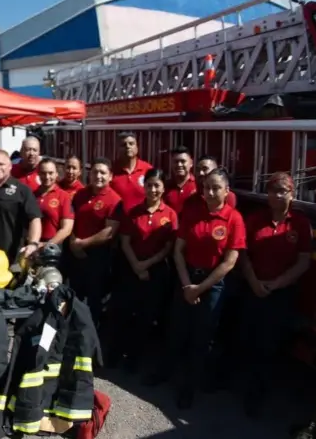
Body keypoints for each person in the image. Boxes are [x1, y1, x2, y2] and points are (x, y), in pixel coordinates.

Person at [147, 168, 245, 410]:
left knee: (200, 339)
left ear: (226, 191)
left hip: (212, 286)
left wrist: (200, 288)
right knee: (175, 330)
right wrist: (185, 285)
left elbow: (230, 262)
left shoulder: (234, 219)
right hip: (186, 277)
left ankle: (189, 387)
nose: (210, 192)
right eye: (206, 187)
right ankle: (164, 373)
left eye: (216, 188)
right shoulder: (192, 212)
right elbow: (178, 250)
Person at [240, 172, 311, 416]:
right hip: (253, 288)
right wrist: (254, 282)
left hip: (281, 294)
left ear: (292, 194)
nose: (277, 195)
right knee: (248, 338)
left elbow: (303, 262)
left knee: (270, 345)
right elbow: (243, 254)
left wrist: (276, 284)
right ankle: (243, 384)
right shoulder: (255, 219)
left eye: (283, 190)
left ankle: (259, 393)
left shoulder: (299, 223)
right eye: (273, 190)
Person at [108, 168, 178, 371]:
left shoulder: (170, 214)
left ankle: (134, 358)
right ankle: (114, 353)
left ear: (164, 188)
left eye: (157, 185)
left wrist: (146, 265)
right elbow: (125, 242)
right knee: (123, 313)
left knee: (146, 318)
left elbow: (168, 248)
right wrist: (136, 265)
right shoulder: (134, 212)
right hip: (130, 268)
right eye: (149, 185)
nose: (153, 189)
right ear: (144, 186)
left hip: (155, 272)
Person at [68, 157, 122, 328]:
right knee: (74, 296)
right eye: (95, 172)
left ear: (110, 176)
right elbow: (70, 220)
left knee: (94, 299)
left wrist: (82, 244)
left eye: (103, 173)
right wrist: (73, 242)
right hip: (75, 253)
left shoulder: (115, 200)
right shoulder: (80, 195)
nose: (98, 176)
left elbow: (109, 233)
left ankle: (91, 334)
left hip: (98, 257)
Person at [34, 157, 74, 247]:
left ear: (56, 174)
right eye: (43, 173)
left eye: (50, 173)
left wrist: (47, 245)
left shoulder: (63, 196)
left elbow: (67, 229)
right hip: (32, 245)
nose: (47, 177)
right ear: (38, 174)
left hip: (53, 247)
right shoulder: (32, 195)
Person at [109, 132, 153, 213]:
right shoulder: (110, 170)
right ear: (118, 149)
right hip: (117, 222)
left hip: (142, 221)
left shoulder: (148, 169)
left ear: (137, 147)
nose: (128, 146)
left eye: (131, 144)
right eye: (123, 145)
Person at [163, 146, 196, 213]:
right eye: (176, 161)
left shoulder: (197, 185)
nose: (179, 165)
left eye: (183, 161)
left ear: (191, 163)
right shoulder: (165, 186)